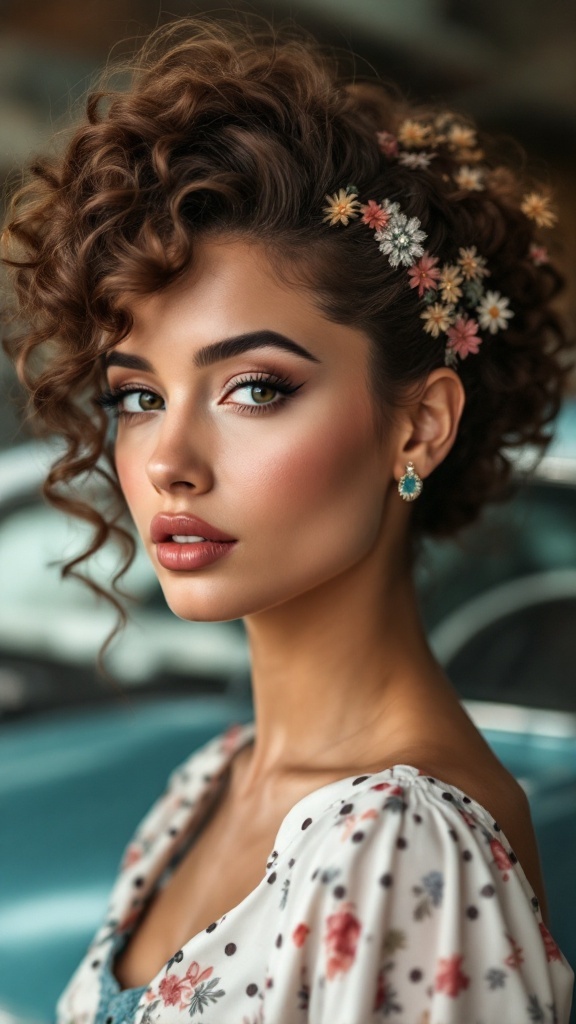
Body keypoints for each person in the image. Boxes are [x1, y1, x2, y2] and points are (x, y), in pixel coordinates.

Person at [2, 15, 574, 1024]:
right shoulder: (203, 788)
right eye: (138, 396)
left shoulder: (405, 844)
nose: (169, 462)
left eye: (256, 388)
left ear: (421, 424)